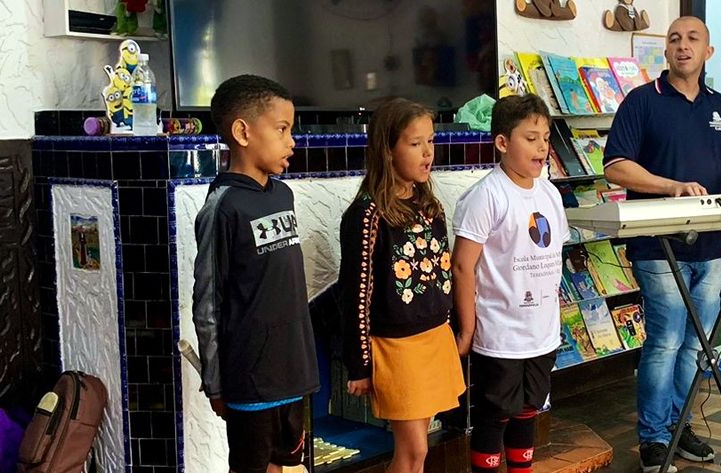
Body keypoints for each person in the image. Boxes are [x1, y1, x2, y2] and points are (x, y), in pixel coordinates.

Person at [602, 16, 721, 472]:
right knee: (666, 339)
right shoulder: (641, 102)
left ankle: (679, 426)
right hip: (657, 247)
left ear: (707, 52)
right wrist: (670, 186)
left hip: (713, 245)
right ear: (666, 51)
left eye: (693, 39)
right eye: (674, 39)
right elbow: (616, 166)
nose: (682, 46)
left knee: (696, 344)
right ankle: (653, 438)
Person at [192, 75, 320, 473]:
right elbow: (208, 303)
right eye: (282, 129)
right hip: (250, 376)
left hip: (293, 368)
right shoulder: (223, 207)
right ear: (242, 132)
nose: (291, 141)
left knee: (283, 465)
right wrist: (215, 381)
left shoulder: (283, 194)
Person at [339, 98, 465, 473]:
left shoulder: (430, 205)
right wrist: (360, 365)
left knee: (419, 451)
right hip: (397, 349)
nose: (427, 153)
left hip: (435, 338)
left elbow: (442, 273)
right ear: (387, 150)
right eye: (415, 144)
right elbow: (355, 295)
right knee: (412, 453)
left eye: (430, 141)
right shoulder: (367, 215)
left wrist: (456, 329)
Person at [452, 93, 569, 473]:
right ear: (502, 143)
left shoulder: (549, 193)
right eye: (531, 137)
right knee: (494, 412)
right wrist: (467, 328)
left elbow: (552, 258)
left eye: (546, 138)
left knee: (529, 409)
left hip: (541, 334)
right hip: (500, 335)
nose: (542, 146)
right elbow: (462, 267)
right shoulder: (487, 196)